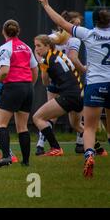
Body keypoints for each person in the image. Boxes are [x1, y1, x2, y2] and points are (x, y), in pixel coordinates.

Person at [38, 0, 110, 178]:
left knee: (89, 127)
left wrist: (46, 5)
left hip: (94, 84)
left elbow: (61, 23)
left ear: (93, 21)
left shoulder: (88, 34)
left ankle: (89, 155)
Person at [35, 11, 86, 155]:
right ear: (66, 23)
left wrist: (43, 65)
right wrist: (84, 69)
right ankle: (80, 144)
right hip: (69, 81)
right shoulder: (74, 40)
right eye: (75, 24)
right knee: (74, 117)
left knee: (49, 115)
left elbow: (37, 49)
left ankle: (41, 145)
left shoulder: (51, 37)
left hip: (55, 81)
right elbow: (73, 59)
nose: (77, 27)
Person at [0, 19, 38, 168]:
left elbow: (4, 71)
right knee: (22, 126)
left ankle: (6, 157)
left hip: (13, 87)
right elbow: (34, 69)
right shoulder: (26, 47)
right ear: (18, 31)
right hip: (28, 87)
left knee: (0, 124)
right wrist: (29, 85)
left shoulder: (5, 48)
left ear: (3, 31)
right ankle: (26, 161)